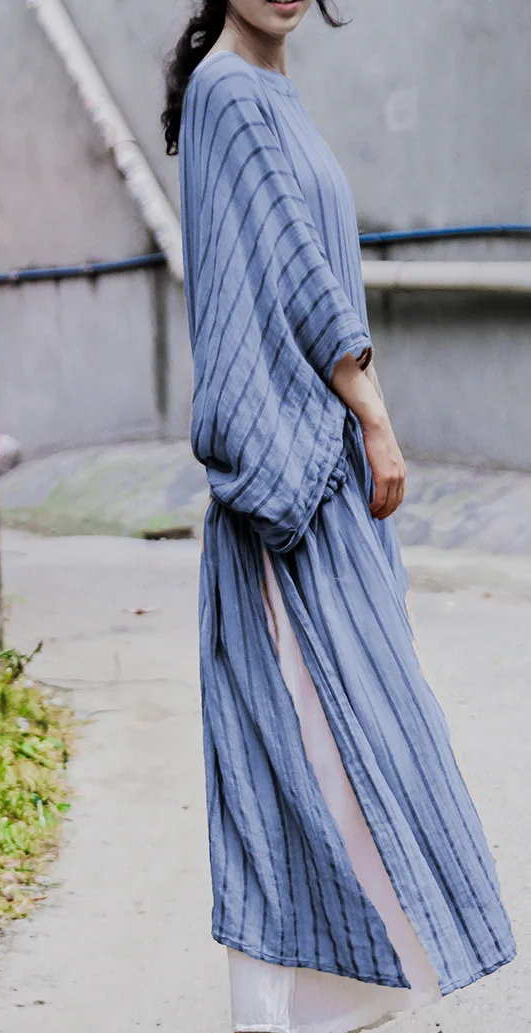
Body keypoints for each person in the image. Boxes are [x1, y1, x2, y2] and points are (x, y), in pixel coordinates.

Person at [162, 2, 517, 1031]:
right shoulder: (228, 91)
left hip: (319, 473)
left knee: (338, 740)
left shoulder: (271, 89)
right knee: (301, 749)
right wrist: (371, 412)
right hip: (295, 477)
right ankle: (278, 1010)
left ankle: (337, 992)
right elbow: (286, 268)